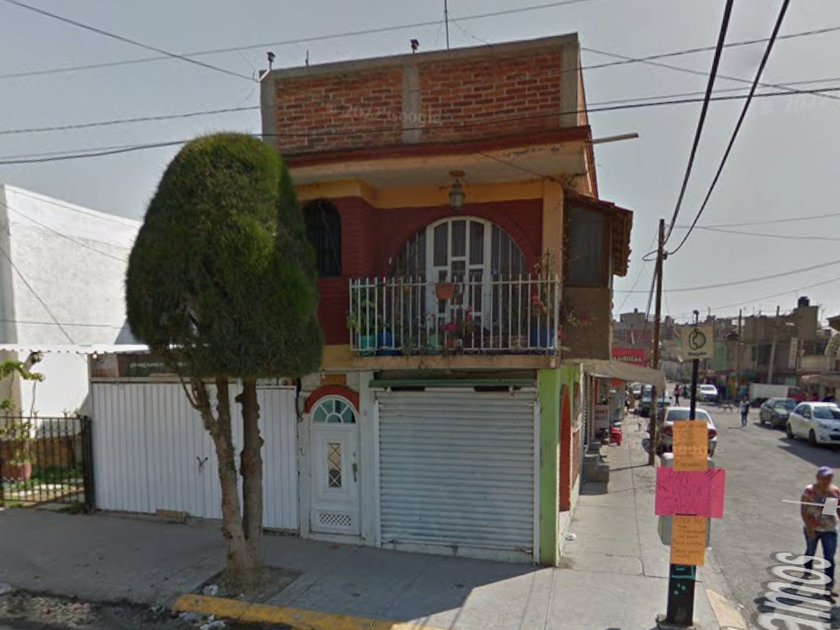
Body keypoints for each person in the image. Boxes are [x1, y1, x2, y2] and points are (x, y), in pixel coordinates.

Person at [801, 466, 840, 599]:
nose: (827, 480)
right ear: (818, 478)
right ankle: (807, 570)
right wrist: (809, 528)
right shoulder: (809, 491)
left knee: (829, 558)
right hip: (812, 528)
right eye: (824, 477)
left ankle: (829, 586)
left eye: (829, 477)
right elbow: (804, 510)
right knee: (810, 550)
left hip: (829, 529)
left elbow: (835, 510)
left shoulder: (834, 492)